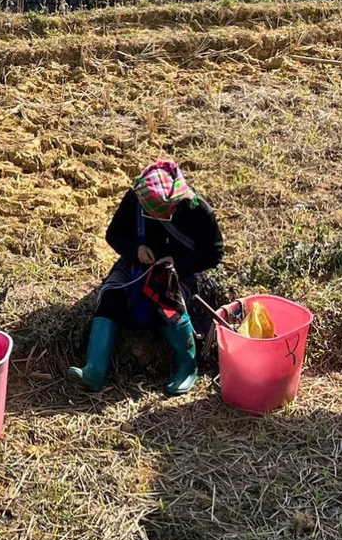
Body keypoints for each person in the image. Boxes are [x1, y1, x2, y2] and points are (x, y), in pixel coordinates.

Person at [68, 159, 226, 395]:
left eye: (165, 210)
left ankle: (187, 365)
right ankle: (94, 371)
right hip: (136, 265)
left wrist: (177, 263)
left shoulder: (197, 209)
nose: (161, 214)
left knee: (168, 302)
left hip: (181, 270)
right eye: (153, 211)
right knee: (112, 295)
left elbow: (214, 253)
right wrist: (136, 250)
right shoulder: (136, 198)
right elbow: (114, 235)